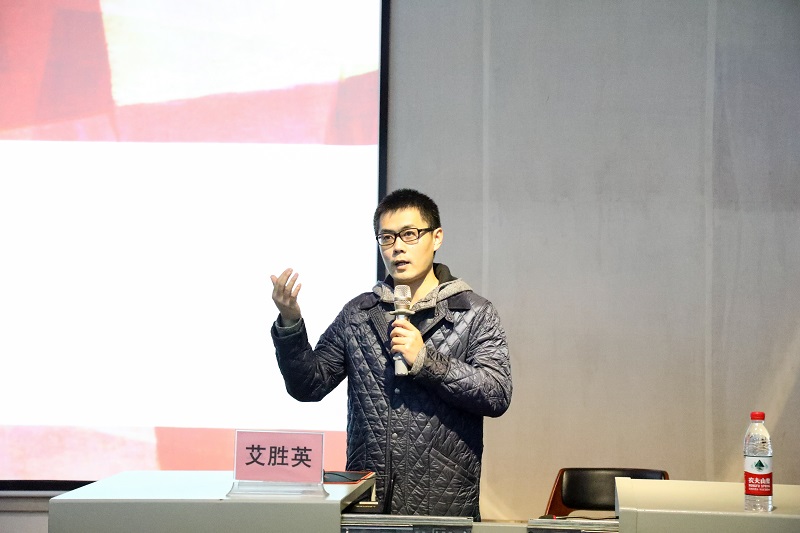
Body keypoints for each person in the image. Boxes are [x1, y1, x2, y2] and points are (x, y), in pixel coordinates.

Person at [270, 188, 512, 519]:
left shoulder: (474, 313)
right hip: (368, 505)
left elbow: (496, 393)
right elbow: (308, 385)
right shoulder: (358, 314)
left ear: (436, 237)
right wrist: (290, 323)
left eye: (409, 234)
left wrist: (426, 361)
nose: (397, 247)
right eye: (386, 238)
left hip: (444, 506)